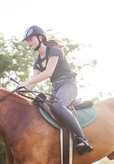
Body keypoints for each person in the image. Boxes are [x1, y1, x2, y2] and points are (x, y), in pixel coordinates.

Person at [18, 25, 93, 156]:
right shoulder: (37, 62)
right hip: (56, 88)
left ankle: (83, 139)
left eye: (30, 39)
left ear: (40, 37)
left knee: (57, 106)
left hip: (68, 85)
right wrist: (21, 90)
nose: (28, 42)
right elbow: (33, 84)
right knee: (44, 109)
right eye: (27, 40)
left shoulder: (53, 51)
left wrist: (27, 81)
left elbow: (48, 72)